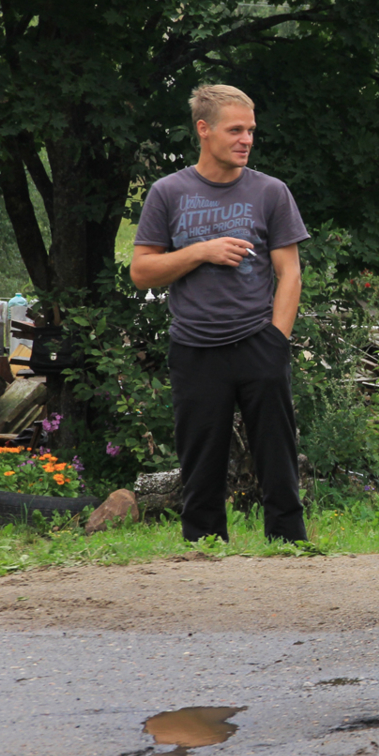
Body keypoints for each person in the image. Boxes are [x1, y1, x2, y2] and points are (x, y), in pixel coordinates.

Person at [130, 84, 308, 542]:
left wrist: (276, 339)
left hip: (257, 341)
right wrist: (201, 251)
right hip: (194, 347)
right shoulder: (168, 192)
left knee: (277, 454)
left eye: (250, 130)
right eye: (235, 130)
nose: (246, 139)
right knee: (201, 458)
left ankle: (288, 545)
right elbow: (142, 272)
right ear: (204, 130)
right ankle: (204, 549)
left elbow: (290, 274)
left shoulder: (271, 192)